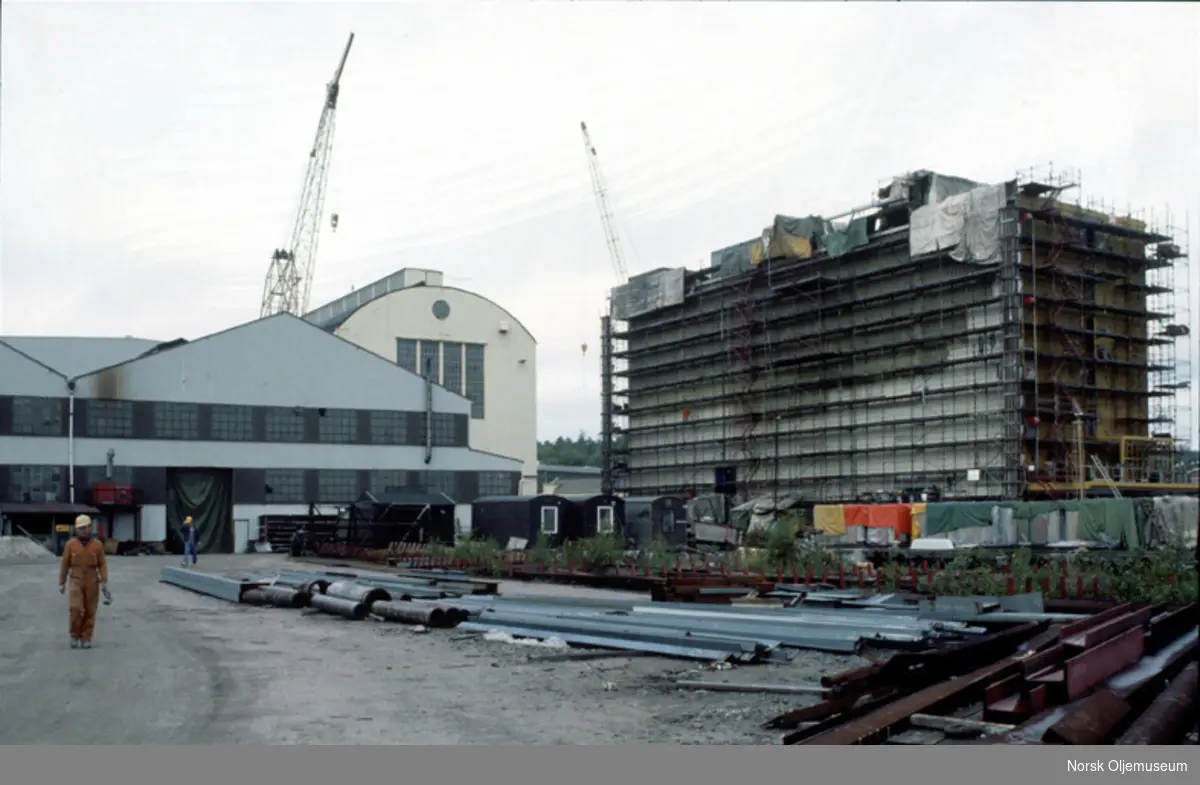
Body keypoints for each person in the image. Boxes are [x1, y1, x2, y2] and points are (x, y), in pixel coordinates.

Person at [57, 514, 109, 650]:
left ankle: (86, 637)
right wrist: (61, 582)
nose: (83, 531)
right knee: (75, 608)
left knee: (90, 610)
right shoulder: (70, 545)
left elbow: (102, 564)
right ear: (76, 530)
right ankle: (74, 635)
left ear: (90, 528)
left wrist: (104, 581)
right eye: (80, 528)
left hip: (92, 581)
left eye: (85, 528)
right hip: (76, 580)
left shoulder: (97, 545)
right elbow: (64, 564)